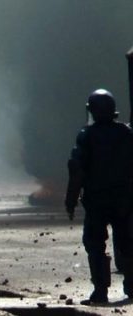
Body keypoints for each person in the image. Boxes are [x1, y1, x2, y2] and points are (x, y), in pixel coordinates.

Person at [65, 89, 133, 304]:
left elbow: (77, 170)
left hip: (97, 201)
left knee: (95, 244)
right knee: (128, 243)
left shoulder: (87, 135)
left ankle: (100, 291)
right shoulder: (127, 133)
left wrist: (71, 199)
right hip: (124, 199)